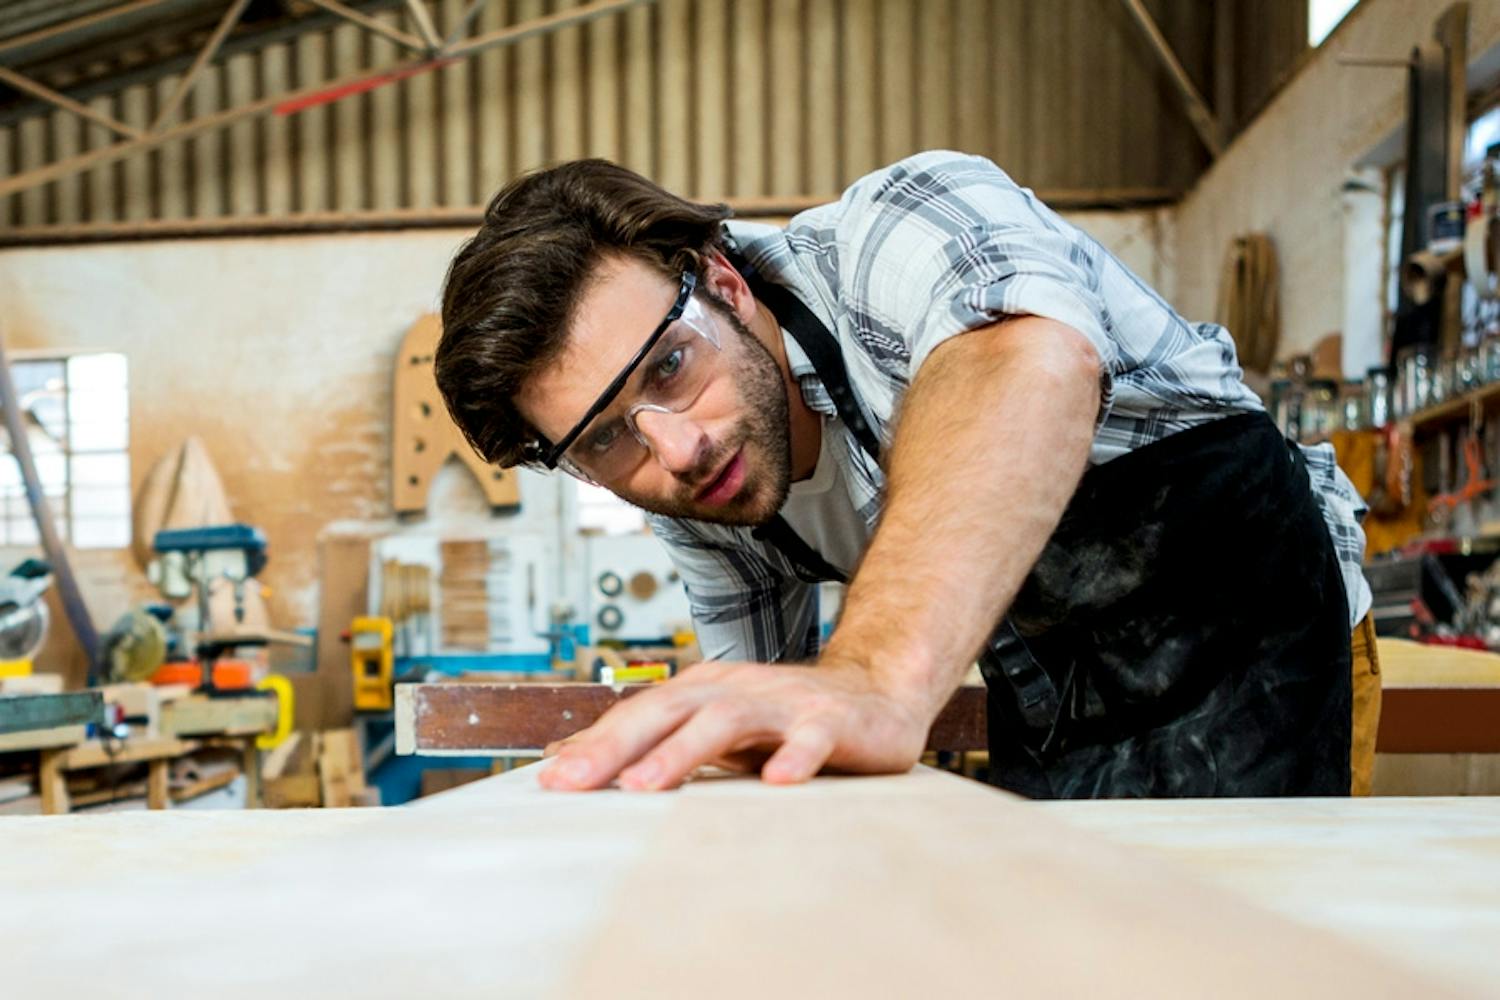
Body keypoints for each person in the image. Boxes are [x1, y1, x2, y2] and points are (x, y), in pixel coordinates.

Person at [435, 150, 1379, 798]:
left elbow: (1021, 363)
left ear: (725, 283)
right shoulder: (695, 486)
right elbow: (769, 710)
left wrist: (874, 675)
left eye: (671, 366)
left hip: (1258, 641)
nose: (675, 451)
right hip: (1056, 704)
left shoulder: (896, 232)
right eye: (605, 441)